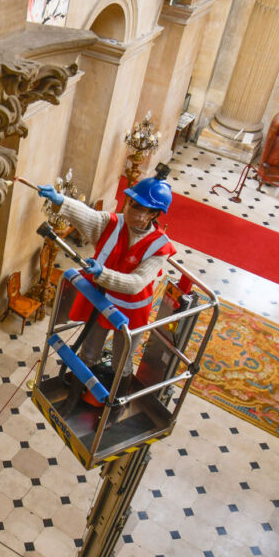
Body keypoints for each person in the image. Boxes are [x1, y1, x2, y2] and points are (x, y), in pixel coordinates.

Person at [37, 167, 176, 399]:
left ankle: (116, 398)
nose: (131, 209)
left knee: (122, 359)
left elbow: (136, 283)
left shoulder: (159, 247)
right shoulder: (112, 224)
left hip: (132, 311)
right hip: (102, 303)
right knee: (89, 351)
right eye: (131, 203)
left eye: (139, 207)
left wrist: (103, 274)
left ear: (153, 214)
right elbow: (88, 216)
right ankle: (77, 393)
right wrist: (61, 201)